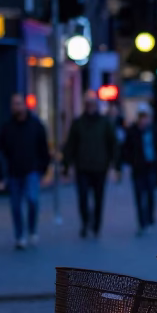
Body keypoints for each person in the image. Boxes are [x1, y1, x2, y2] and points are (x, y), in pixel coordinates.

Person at [0, 93, 50, 250]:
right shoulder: (7, 127)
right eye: (14, 104)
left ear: (25, 105)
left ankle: (32, 230)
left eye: (19, 104)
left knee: (32, 200)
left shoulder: (36, 125)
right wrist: (1, 175)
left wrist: (43, 169)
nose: (16, 107)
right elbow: (0, 151)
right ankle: (19, 235)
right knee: (15, 205)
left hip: (32, 170)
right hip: (14, 172)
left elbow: (43, 148)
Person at [63, 90, 118, 238]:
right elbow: (71, 145)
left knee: (99, 198)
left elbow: (112, 144)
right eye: (88, 104)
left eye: (92, 104)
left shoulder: (104, 123)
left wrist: (115, 164)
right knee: (82, 198)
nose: (90, 107)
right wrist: (66, 165)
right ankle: (85, 222)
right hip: (82, 167)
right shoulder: (78, 123)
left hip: (100, 167)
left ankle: (96, 225)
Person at [121, 109, 157, 234]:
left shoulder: (153, 130)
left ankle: (149, 218)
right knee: (139, 195)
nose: (144, 120)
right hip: (138, 168)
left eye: (146, 117)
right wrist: (131, 161)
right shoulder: (133, 132)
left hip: (151, 166)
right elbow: (126, 148)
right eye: (142, 117)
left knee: (150, 194)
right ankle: (142, 222)